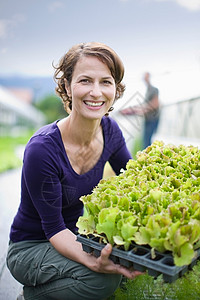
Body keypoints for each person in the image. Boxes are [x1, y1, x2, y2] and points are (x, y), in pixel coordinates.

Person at [6, 42, 142, 300]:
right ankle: (32, 296)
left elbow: (134, 181)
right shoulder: (42, 149)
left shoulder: (110, 131)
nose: (96, 92)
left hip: (76, 234)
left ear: (116, 89)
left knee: (124, 269)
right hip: (32, 246)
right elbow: (54, 229)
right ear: (67, 86)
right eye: (85, 81)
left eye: (106, 82)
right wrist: (95, 263)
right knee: (103, 282)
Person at [121, 72, 160, 149]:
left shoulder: (154, 89)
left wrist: (142, 110)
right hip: (147, 118)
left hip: (153, 119)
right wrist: (133, 109)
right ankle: (145, 157)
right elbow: (144, 104)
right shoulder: (147, 91)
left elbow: (155, 104)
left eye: (146, 77)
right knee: (145, 140)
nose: (145, 79)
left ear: (149, 77)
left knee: (148, 140)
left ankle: (148, 158)